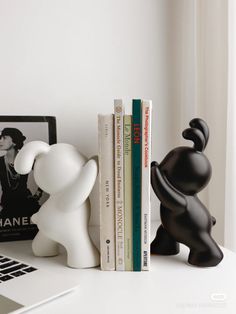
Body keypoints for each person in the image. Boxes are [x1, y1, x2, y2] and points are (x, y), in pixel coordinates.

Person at [0, 128, 42, 218]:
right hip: (7, 203)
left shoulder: (26, 159)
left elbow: (44, 174)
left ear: (14, 141)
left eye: (4, 138)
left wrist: (39, 192)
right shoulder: (0, 162)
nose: (0, 140)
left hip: (26, 202)